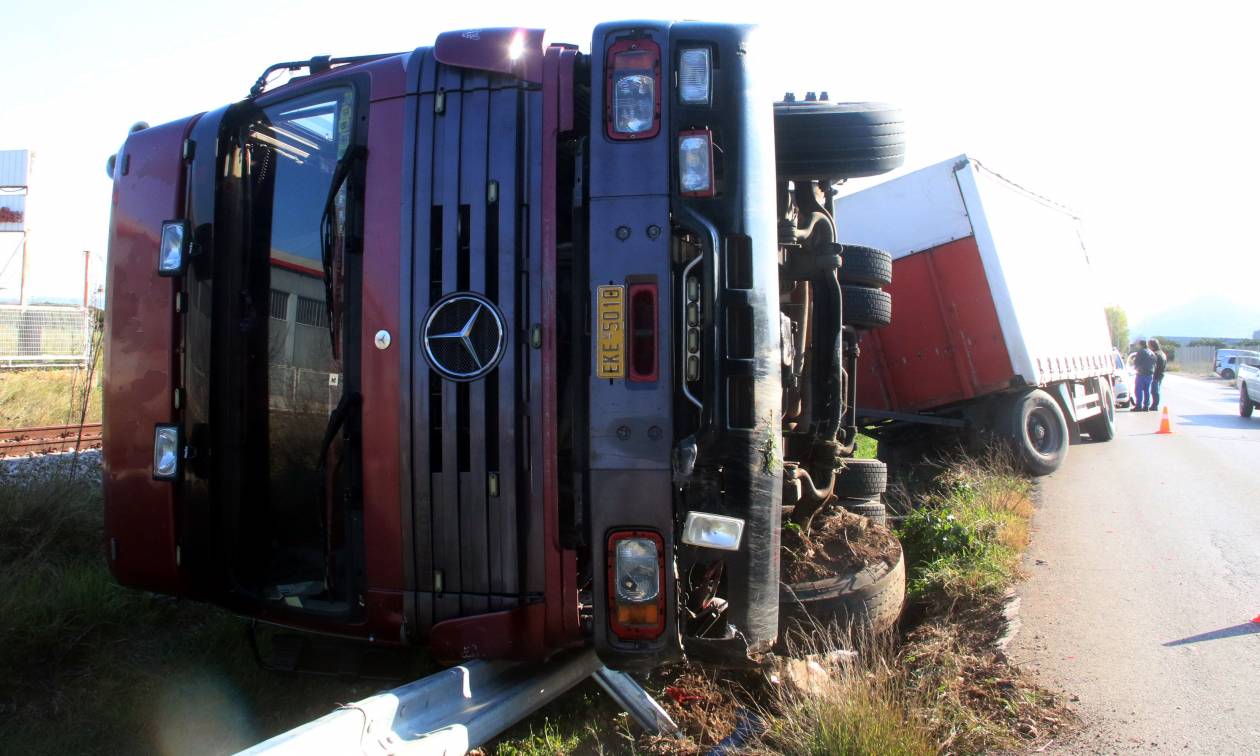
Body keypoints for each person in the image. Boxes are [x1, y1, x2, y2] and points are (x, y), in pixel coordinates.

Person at [1133, 341, 1156, 411]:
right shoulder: (1151, 352)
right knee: (1147, 390)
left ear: (1141, 345)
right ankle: (1146, 406)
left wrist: (1136, 368)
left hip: (1141, 374)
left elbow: (1136, 362)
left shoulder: (1140, 352)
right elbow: (1155, 362)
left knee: (1138, 390)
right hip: (1150, 374)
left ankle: (1138, 406)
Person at [1148, 338, 1167, 411]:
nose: (1148, 347)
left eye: (1149, 345)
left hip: (1156, 375)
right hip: (1161, 374)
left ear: (1152, 345)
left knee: (1154, 391)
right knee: (1156, 390)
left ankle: (1155, 405)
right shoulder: (1162, 353)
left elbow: (1153, 365)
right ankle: (1155, 404)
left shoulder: (1155, 354)